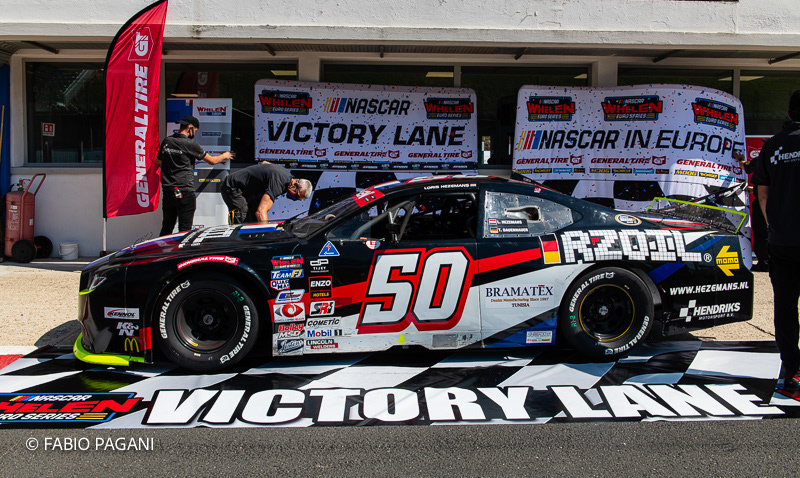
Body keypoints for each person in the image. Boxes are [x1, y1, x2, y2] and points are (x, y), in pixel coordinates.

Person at [751, 89, 800, 392]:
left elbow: (762, 194)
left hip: (783, 240)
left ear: (789, 113)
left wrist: (774, 226)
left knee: (785, 306)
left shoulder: (772, 145)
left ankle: (792, 370)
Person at [155, 115, 235, 236]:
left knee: (167, 226)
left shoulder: (167, 141)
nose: (195, 133)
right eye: (195, 130)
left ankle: (160, 248)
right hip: (185, 190)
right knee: (185, 230)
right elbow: (212, 161)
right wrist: (225, 155)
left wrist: (171, 159)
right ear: (190, 128)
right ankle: (183, 249)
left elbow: (158, 160)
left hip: (168, 191)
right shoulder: (190, 144)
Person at [221, 162, 313, 224]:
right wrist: (266, 235)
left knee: (253, 221)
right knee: (243, 219)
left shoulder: (287, 176)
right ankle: (239, 244)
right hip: (233, 187)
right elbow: (261, 212)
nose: (294, 198)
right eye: (296, 196)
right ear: (295, 185)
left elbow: (264, 163)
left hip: (246, 192)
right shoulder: (279, 183)